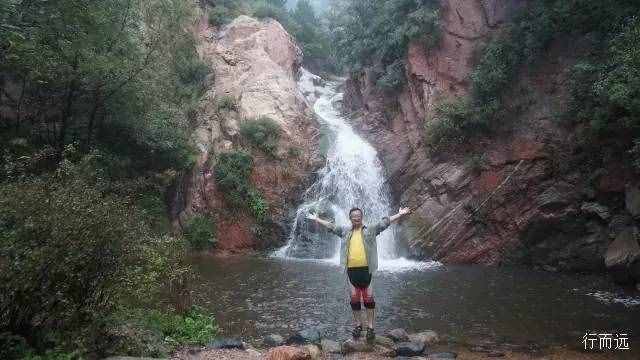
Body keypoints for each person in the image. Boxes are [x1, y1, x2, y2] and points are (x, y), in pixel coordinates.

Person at [306, 206, 412, 343]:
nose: (356, 218)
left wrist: (400, 214)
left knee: (369, 300)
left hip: (366, 271)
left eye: (358, 215)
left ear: (362, 217)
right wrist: (317, 219)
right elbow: (331, 226)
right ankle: (357, 325)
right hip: (351, 271)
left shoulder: (371, 229)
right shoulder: (344, 231)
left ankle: (371, 328)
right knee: (354, 300)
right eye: (353, 216)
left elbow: (385, 222)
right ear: (350, 218)